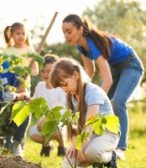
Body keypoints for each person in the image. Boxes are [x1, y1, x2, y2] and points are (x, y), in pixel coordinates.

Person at [61, 14, 144, 160]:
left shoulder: (93, 44)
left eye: (69, 31)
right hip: (116, 68)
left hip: (131, 65)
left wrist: (92, 101)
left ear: (80, 29)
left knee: (118, 102)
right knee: (97, 104)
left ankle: (120, 147)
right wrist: (81, 93)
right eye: (64, 32)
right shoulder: (82, 47)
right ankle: (98, 140)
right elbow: (89, 73)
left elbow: (107, 80)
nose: (66, 35)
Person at [50, 57, 120, 168]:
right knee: (68, 162)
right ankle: (94, 160)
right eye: (61, 87)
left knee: (91, 153)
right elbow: (74, 127)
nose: (64, 89)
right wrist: (74, 145)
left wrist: (80, 149)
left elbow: (90, 123)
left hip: (106, 133)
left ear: (76, 75)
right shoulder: (71, 97)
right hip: (86, 136)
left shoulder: (93, 91)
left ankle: (110, 158)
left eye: (65, 84)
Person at [3, 22, 39, 149]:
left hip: (24, 87)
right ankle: (7, 141)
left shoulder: (30, 51)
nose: (21, 36)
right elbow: (3, 71)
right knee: (9, 114)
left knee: (24, 113)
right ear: (11, 34)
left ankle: (18, 142)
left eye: (23, 33)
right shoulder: (7, 50)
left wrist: (26, 72)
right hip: (10, 87)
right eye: (17, 33)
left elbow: (35, 71)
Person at [29, 54, 67, 157]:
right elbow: (34, 101)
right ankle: (48, 144)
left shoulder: (60, 88)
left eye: (49, 71)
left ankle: (62, 145)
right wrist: (27, 100)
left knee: (52, 127)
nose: (46, 74)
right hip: (42, 124)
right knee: (32, 133)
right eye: (43, 71)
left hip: (58, 122)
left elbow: (63, 109)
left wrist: (49, 118)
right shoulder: (40, 86)